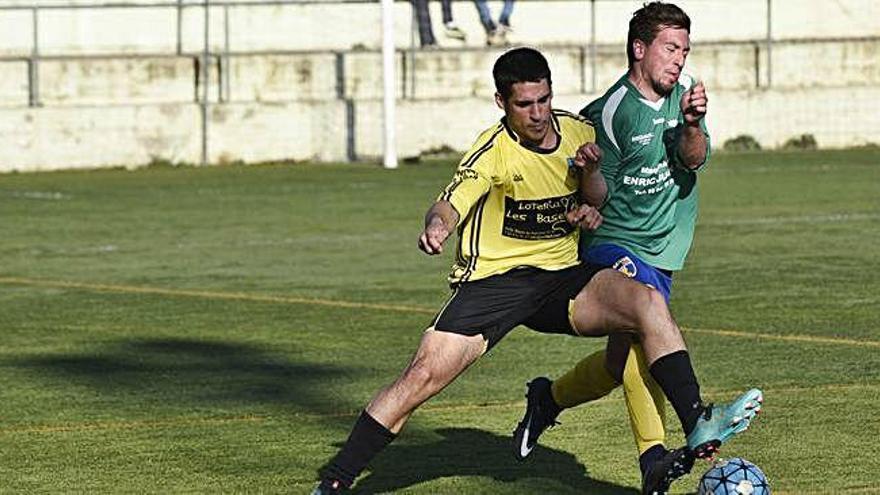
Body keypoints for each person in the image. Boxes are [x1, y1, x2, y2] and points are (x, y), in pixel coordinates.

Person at [310, 47, 762, 495]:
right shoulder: (493, 152)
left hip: (562, 279)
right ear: (502, 103)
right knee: (420, 379)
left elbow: (597, 194)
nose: (538, 113)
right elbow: (452, 202)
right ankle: (336, 479)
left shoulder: (577, 131)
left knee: (647, 302)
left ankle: (697, 421)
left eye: (543, 100)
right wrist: (437, 225)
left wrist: (589, 196)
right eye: (524, 104)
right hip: (494, 285)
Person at [511, 3, 759, 495]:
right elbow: (579, 183)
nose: (679, 59)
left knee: (616, 363)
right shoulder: (610, 113)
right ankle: (657, 454)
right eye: (670, 48)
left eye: (685, 50)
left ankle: (548, 399)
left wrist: (692, 121)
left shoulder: (685, 98)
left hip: (663, 245)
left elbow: (694, 159)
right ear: (640, 49)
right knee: (647, 321)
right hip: (611, 244)